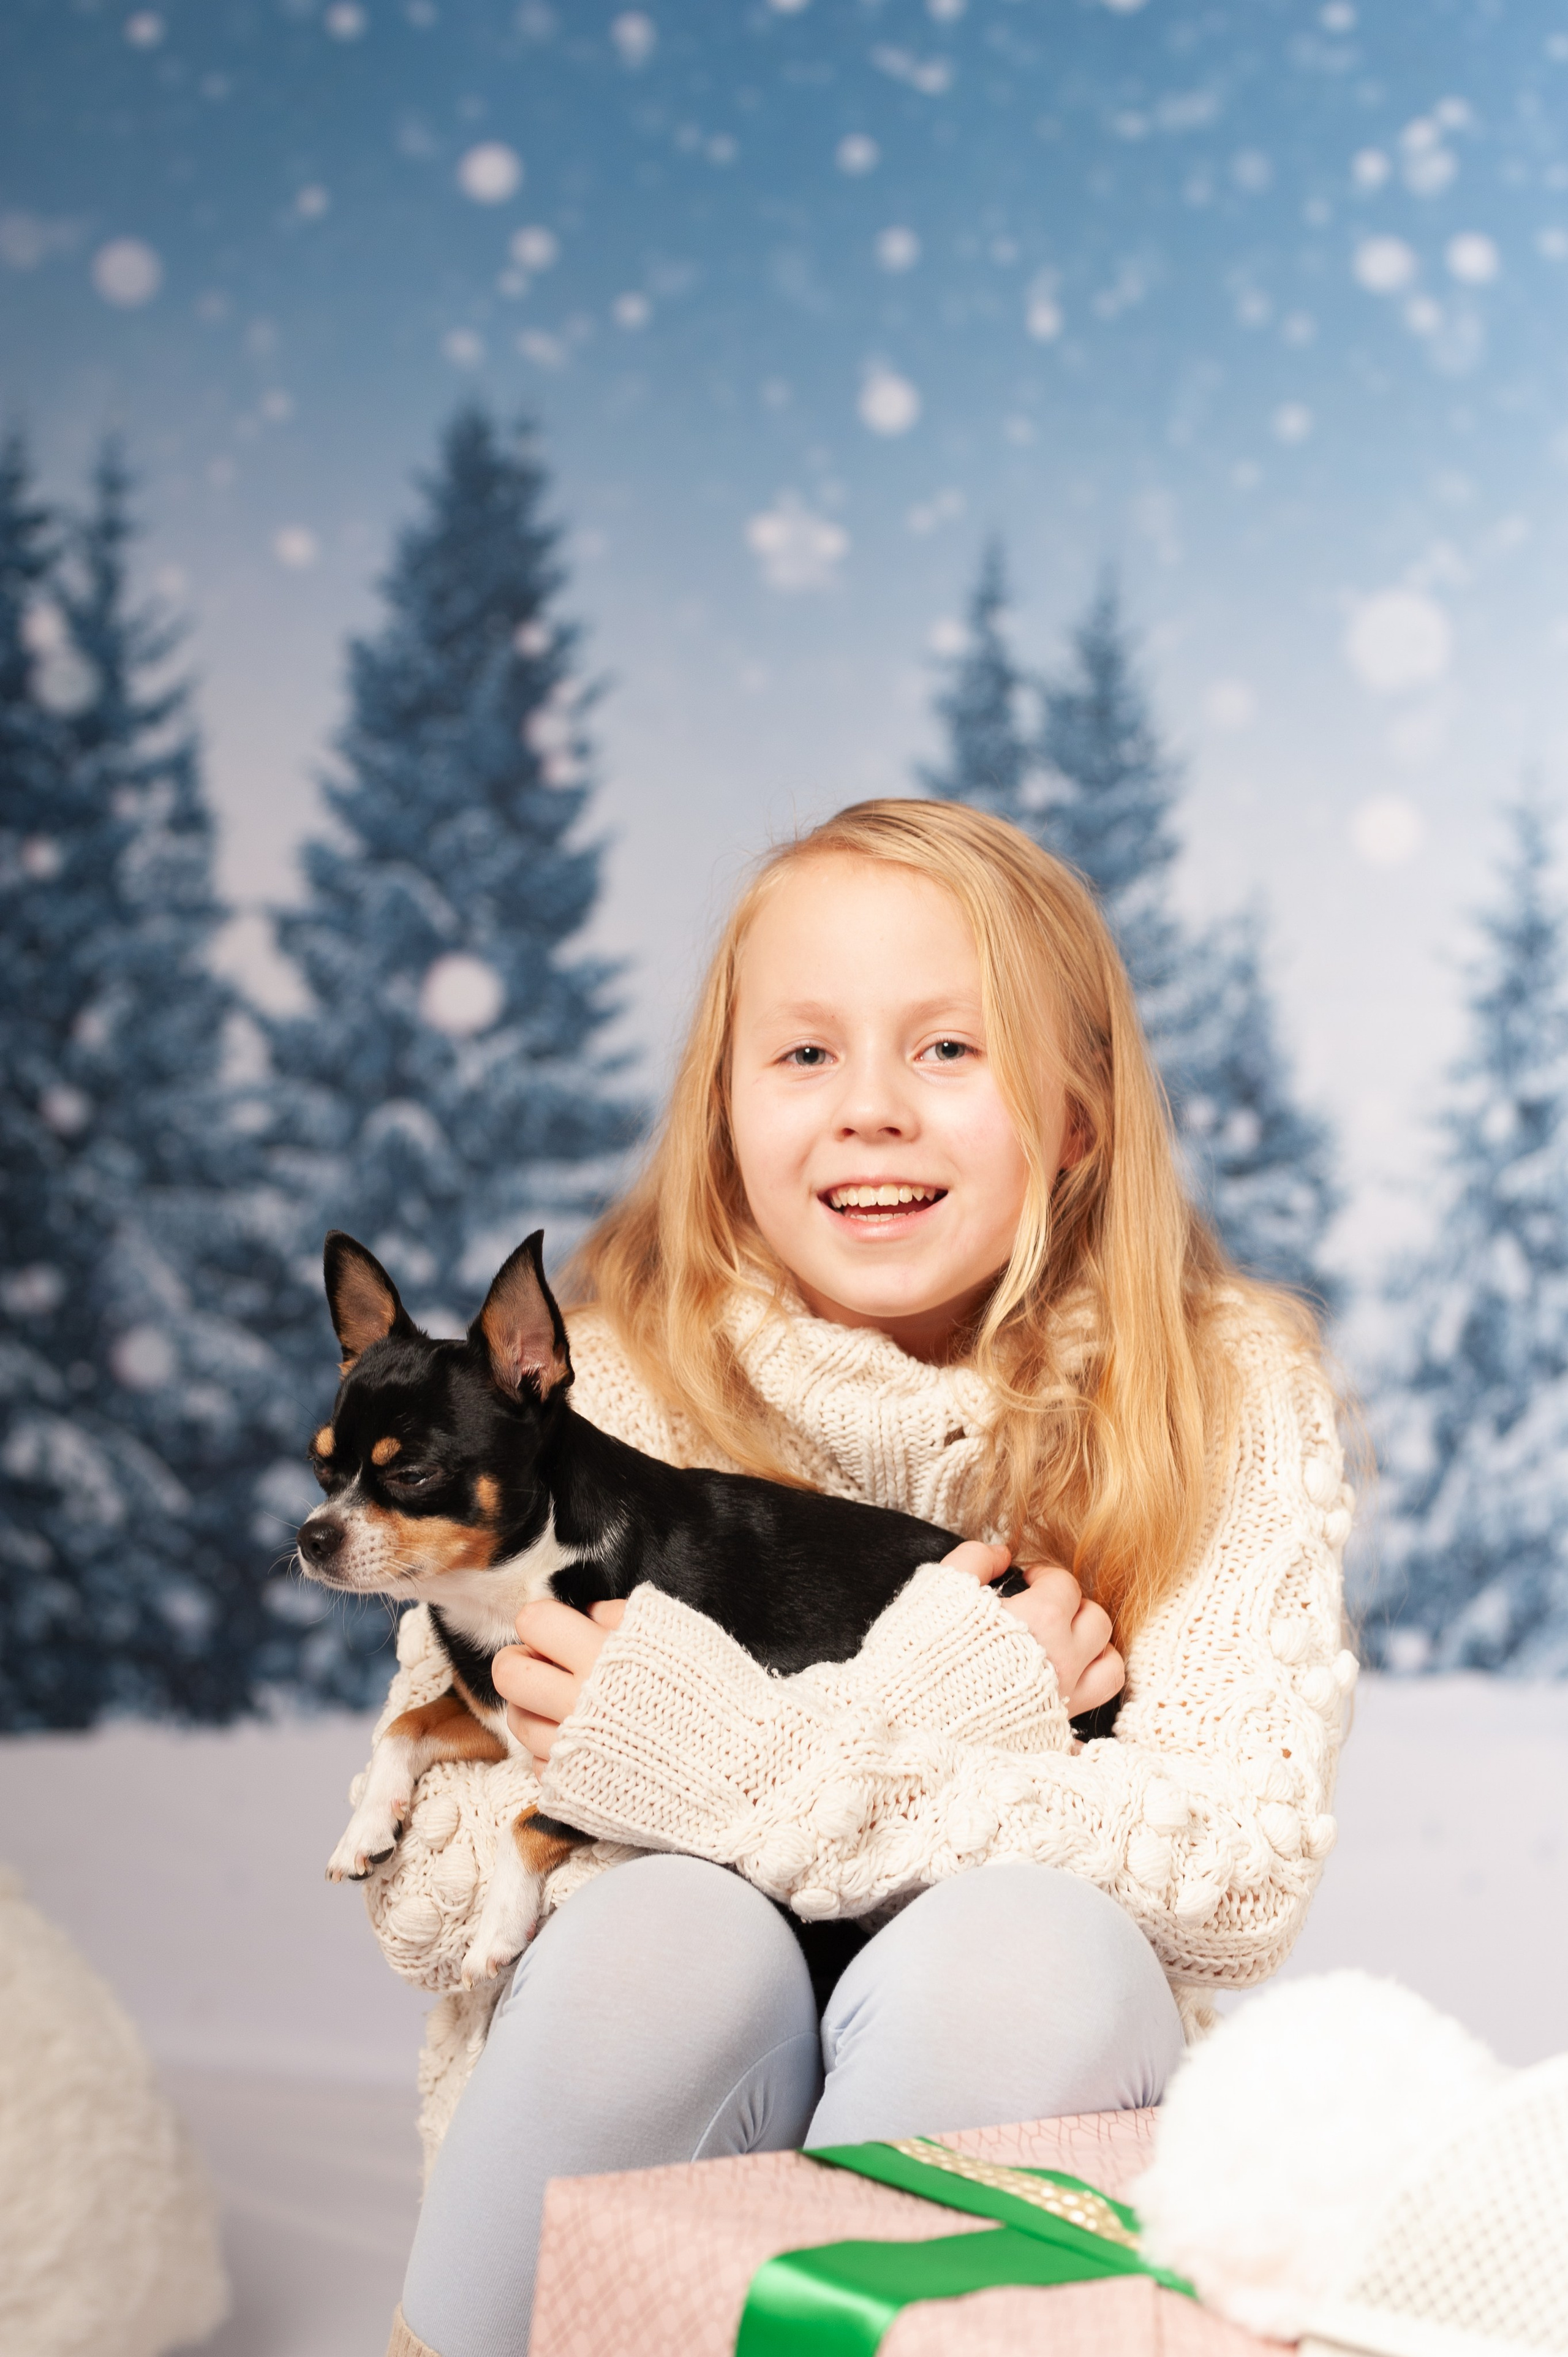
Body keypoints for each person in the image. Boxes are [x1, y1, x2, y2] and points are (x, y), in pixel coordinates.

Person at [376, 800, 1355, 2357]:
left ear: (1076, 1116)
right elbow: (434, 1898)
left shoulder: (1216, 1391)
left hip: (994, 2094)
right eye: (806, 1053)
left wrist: (743, 1762)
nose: (871, 1111)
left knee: (1028, 1949)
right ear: (723, 1109)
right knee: (664, 1939)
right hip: (643, 2151)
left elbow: (1229, 1872)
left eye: (948, 1050)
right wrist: (947, 1693)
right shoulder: (585, 1397)